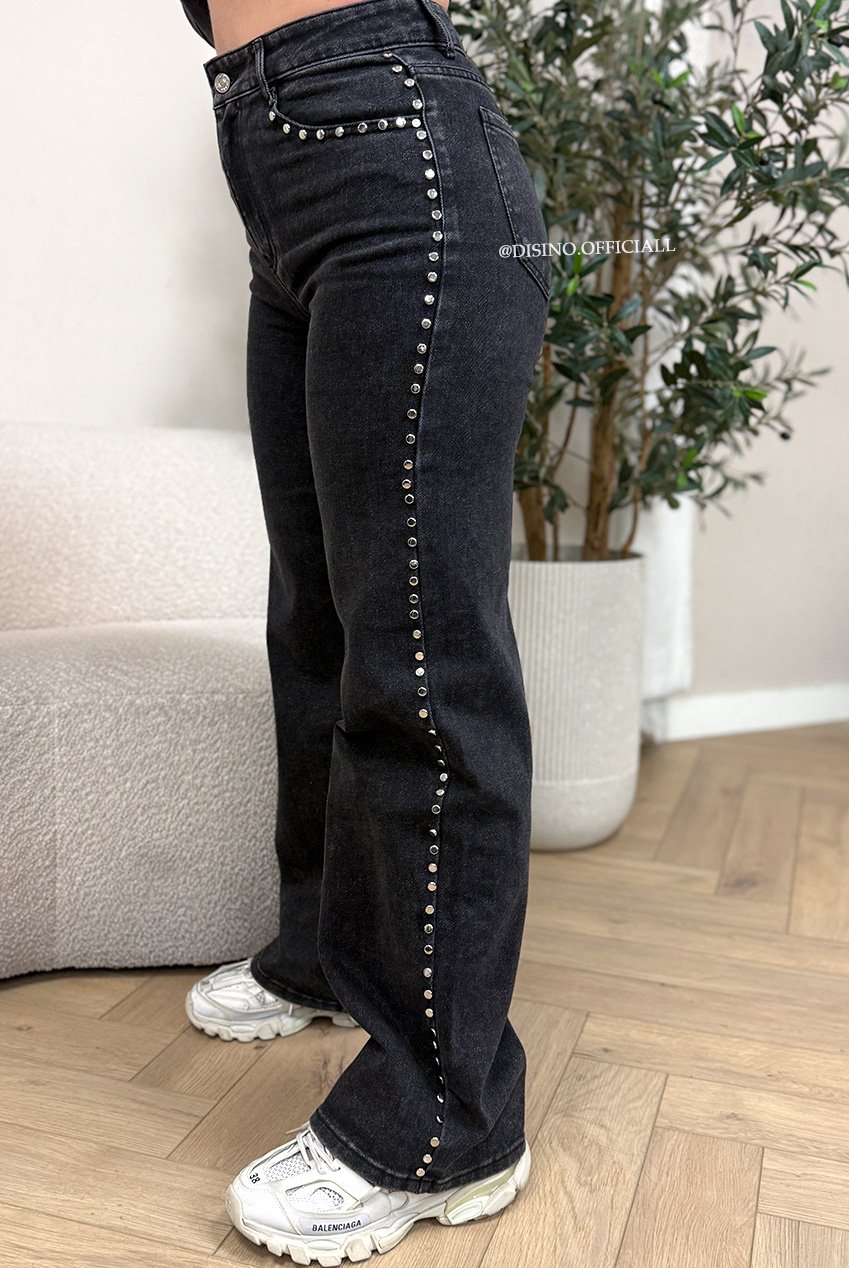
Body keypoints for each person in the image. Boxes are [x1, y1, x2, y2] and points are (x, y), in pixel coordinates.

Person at [180, 0, 551, 1260]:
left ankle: (447, 1119)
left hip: (397, 154)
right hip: (279, 162)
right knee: (321, 620)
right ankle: (322, 951)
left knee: (421, 656)